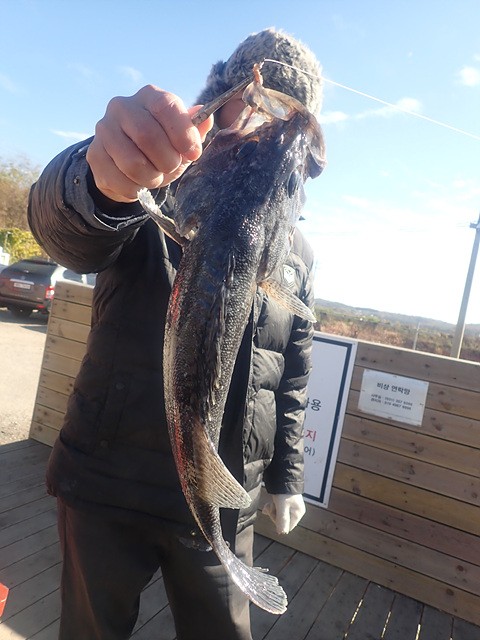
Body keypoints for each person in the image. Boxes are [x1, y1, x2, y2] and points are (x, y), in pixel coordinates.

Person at [28, 27, 323, 640]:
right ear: (220, 101)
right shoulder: (155, 181)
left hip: (225, 499)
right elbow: (66, 228)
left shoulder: (297, 251)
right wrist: (96, 178)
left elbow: (293, 373)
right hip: (110, 482)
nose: (266, 123)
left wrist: (285, 476)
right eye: (256, 102)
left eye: (286, 116)